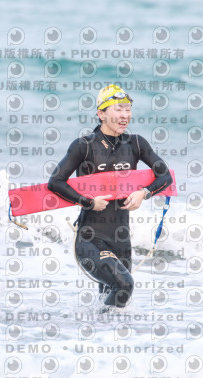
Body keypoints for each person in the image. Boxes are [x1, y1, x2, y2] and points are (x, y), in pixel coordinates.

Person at [47, 84, 173, 308]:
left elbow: (165, 176)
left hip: (122, 241)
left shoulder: (136, 144)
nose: (125, 115)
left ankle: (98, 330)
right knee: (124, 285)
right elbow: (55, 182)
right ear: (101, 114)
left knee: (113, 304)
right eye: (118, 109)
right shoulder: (84, 146)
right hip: (90, 239)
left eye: (128, 109)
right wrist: (88, 202)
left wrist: (143, 193)